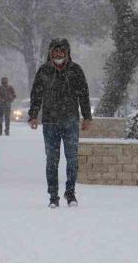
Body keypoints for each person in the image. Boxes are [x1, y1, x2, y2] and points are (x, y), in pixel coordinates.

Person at [28, 38, 91, 208]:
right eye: (55, 51)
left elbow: (84, 94)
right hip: (50, 122)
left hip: (70, 120)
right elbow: (36, 94)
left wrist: (87, 117)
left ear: (67, 52)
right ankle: (53, 196)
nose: (58, 54)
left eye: (61, 51)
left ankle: (70, 193)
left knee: (72, 159)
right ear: (50, 53)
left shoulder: (75, 71)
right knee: (52, 160)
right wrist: (33, 115)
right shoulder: (44, 71)